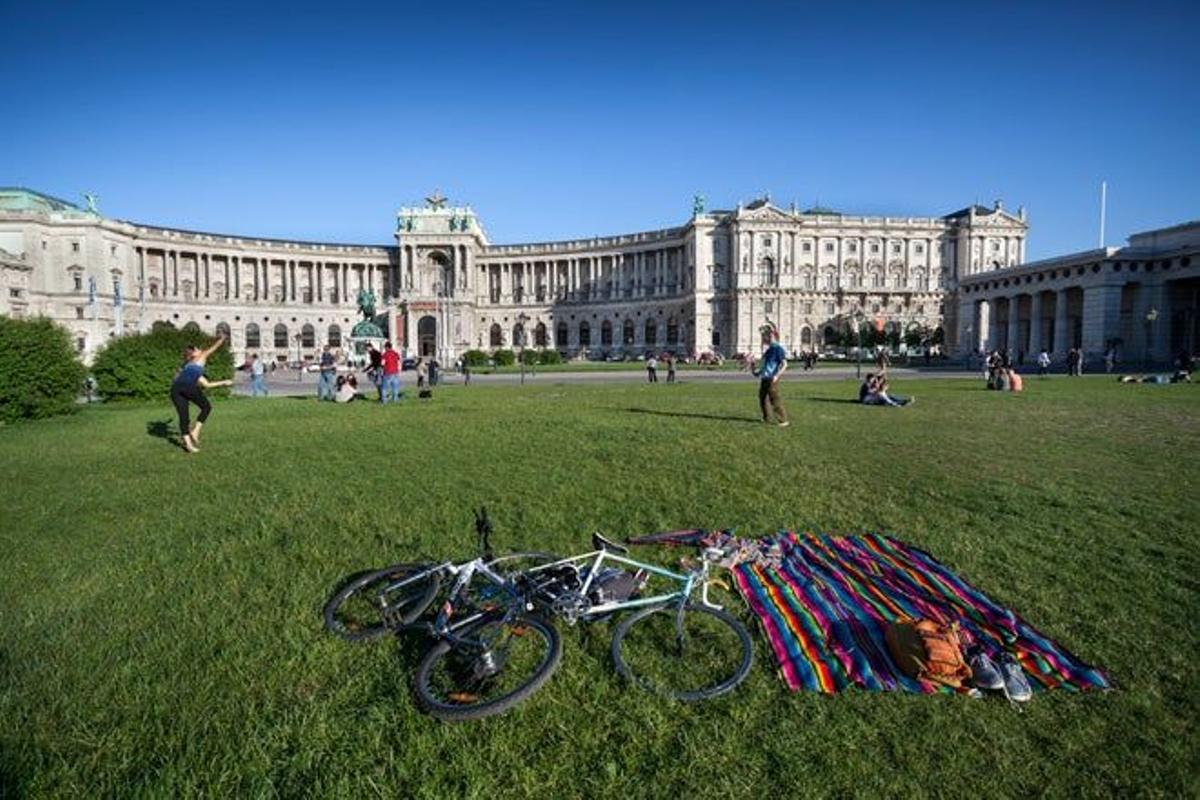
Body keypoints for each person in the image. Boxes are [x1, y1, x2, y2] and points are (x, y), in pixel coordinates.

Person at [170, 335, 233, 453]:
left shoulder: (188, 366)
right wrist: (222, 340)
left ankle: (188, 444)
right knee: (206, 407)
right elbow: (213, 348)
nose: (201, 350)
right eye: (198, 349)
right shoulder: (200, 357)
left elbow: (207, 384)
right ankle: (195, 431)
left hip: (175, 389)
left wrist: (224, 382)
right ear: (194, 353)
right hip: (187, 386)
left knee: (184, 417)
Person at [752, 323, 789, 427]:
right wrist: (756, 370)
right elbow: (765, 366)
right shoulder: (769, 350)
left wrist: (776, 376)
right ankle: (766, 417)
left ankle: (783, 420)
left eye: (771, 336)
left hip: (772, 378)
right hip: (765, 377)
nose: (768, 337)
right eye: (767, 336)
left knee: (774, 399)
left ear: (776, 337)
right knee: (762, 398)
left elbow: (785, 364)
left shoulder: (778, 349)